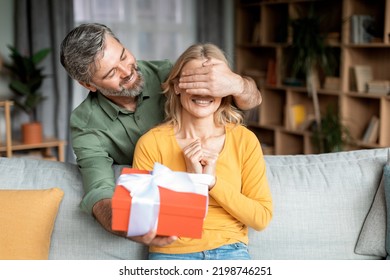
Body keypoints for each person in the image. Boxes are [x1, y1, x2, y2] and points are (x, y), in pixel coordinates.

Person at [60, 23, 262, 247]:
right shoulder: (86, 124)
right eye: (111, 73)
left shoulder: (170, 74)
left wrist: (238, 84)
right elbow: (99, 192)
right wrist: (133, 225)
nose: (127, 72)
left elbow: (249, 101)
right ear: (88, 84)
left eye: (124, 56)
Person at [132, 43, 273, 259]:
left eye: (211, 83)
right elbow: (140, 222)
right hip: (173, 254)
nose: (203, 92)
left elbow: (261, 218)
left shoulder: (244, 140)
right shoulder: (151, 143)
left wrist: (212, 183)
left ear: (225, 89)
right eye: (195, 81)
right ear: (177, 86)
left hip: (231, 251)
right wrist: (192, 182)